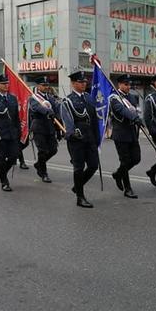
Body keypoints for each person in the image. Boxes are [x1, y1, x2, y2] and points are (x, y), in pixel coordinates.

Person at [61, 71, 100, 208]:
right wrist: (72, 133)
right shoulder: (68, 101)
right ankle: (80, 197)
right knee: (78, 168)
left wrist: (97, 138)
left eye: (85, 82)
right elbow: (67, 120)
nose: (84, 84)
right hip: (77, 139)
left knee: (93, 165)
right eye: (81, 82)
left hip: (90, 138)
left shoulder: (89, 98)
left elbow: (94, 119)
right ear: (73, 83)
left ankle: (77, 186)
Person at [109, 74, 142, 199]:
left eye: (129, 84)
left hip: (132, 133)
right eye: (126, 84)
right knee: (125, 161)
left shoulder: (132, 97)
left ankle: (118, 174)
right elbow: (122, 110)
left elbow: (136, 110)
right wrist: (134, 117)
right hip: (121, 134)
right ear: (119, 85)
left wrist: (138, 118)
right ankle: (128, 189)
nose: (128, 87)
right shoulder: (114, 98)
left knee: (136, 159)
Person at [0, 74, 21, 192]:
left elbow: (16, 117)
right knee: (1, 158)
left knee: (13, 157)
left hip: (12, 133)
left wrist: (19, 131)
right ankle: (4, 181)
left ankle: (2, 173)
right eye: (4, 83)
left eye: (7, 83)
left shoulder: (12, 98)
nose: (6, 85)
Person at [28, 76, 59, 183]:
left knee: (53, 150)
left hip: (50, 127)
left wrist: (58, 127)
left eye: (47, 85)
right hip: (39, 127)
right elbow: (36, 107)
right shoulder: (34, 98)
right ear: (38, 86)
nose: (46, 87)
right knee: (43, 151)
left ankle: (38, 164)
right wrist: (47, 111)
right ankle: (43, 173)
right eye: (43, 85)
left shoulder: (50, 97)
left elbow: (56, 111)